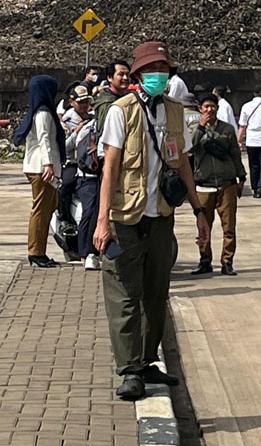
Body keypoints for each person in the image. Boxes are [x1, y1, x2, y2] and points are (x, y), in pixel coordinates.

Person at [94, 41, 210, 401]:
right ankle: (129, 370)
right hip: (125, 218)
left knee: (156, 294)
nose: (159, 75)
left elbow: (183, 163)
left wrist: (199, 211)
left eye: (164, 69)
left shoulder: (175, 111)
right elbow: (110, 167)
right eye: (152, 69)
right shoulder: (121, 111)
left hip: (161, 217)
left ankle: (146, 362)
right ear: (139, 74)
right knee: (125, 295)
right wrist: (102, 221)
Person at [190, 93, 247, 276]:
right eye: (206, 106)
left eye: (213, 106)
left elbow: (235, 154)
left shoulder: (227, 129)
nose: (210, 109)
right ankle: (204, 260)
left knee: (229, 226)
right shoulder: (194, 129)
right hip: (204, 185)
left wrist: (241, 176)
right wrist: (200, 127)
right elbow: (189, 148)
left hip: (226, 184)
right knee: (204, 226)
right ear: (200, 109)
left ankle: (227, 262)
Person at [13, 75, 66, 268]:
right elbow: (44, 139)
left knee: (48, 208)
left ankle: (39, 251)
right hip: (41, 168)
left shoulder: (40, 111)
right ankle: (36, 253)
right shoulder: (43, 113)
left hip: (41, 166)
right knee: (40, 211)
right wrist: (48, 164)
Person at [58, 83, 97, 265]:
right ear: (71, 102)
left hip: (91, 163)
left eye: (86, 102)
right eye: (80, 102)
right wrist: (76, 133)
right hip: (72, 162)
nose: (83, 105)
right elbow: (64, 147)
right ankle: (64, 215)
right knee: (66, 183)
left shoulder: (93, 117)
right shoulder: (66, 121)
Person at [93, 59, 131, 137]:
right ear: (110, 78)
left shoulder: (126, 97)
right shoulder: (107, 103)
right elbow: (103, 132)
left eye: (127, 75)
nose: (125, 78)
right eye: (121, 74)